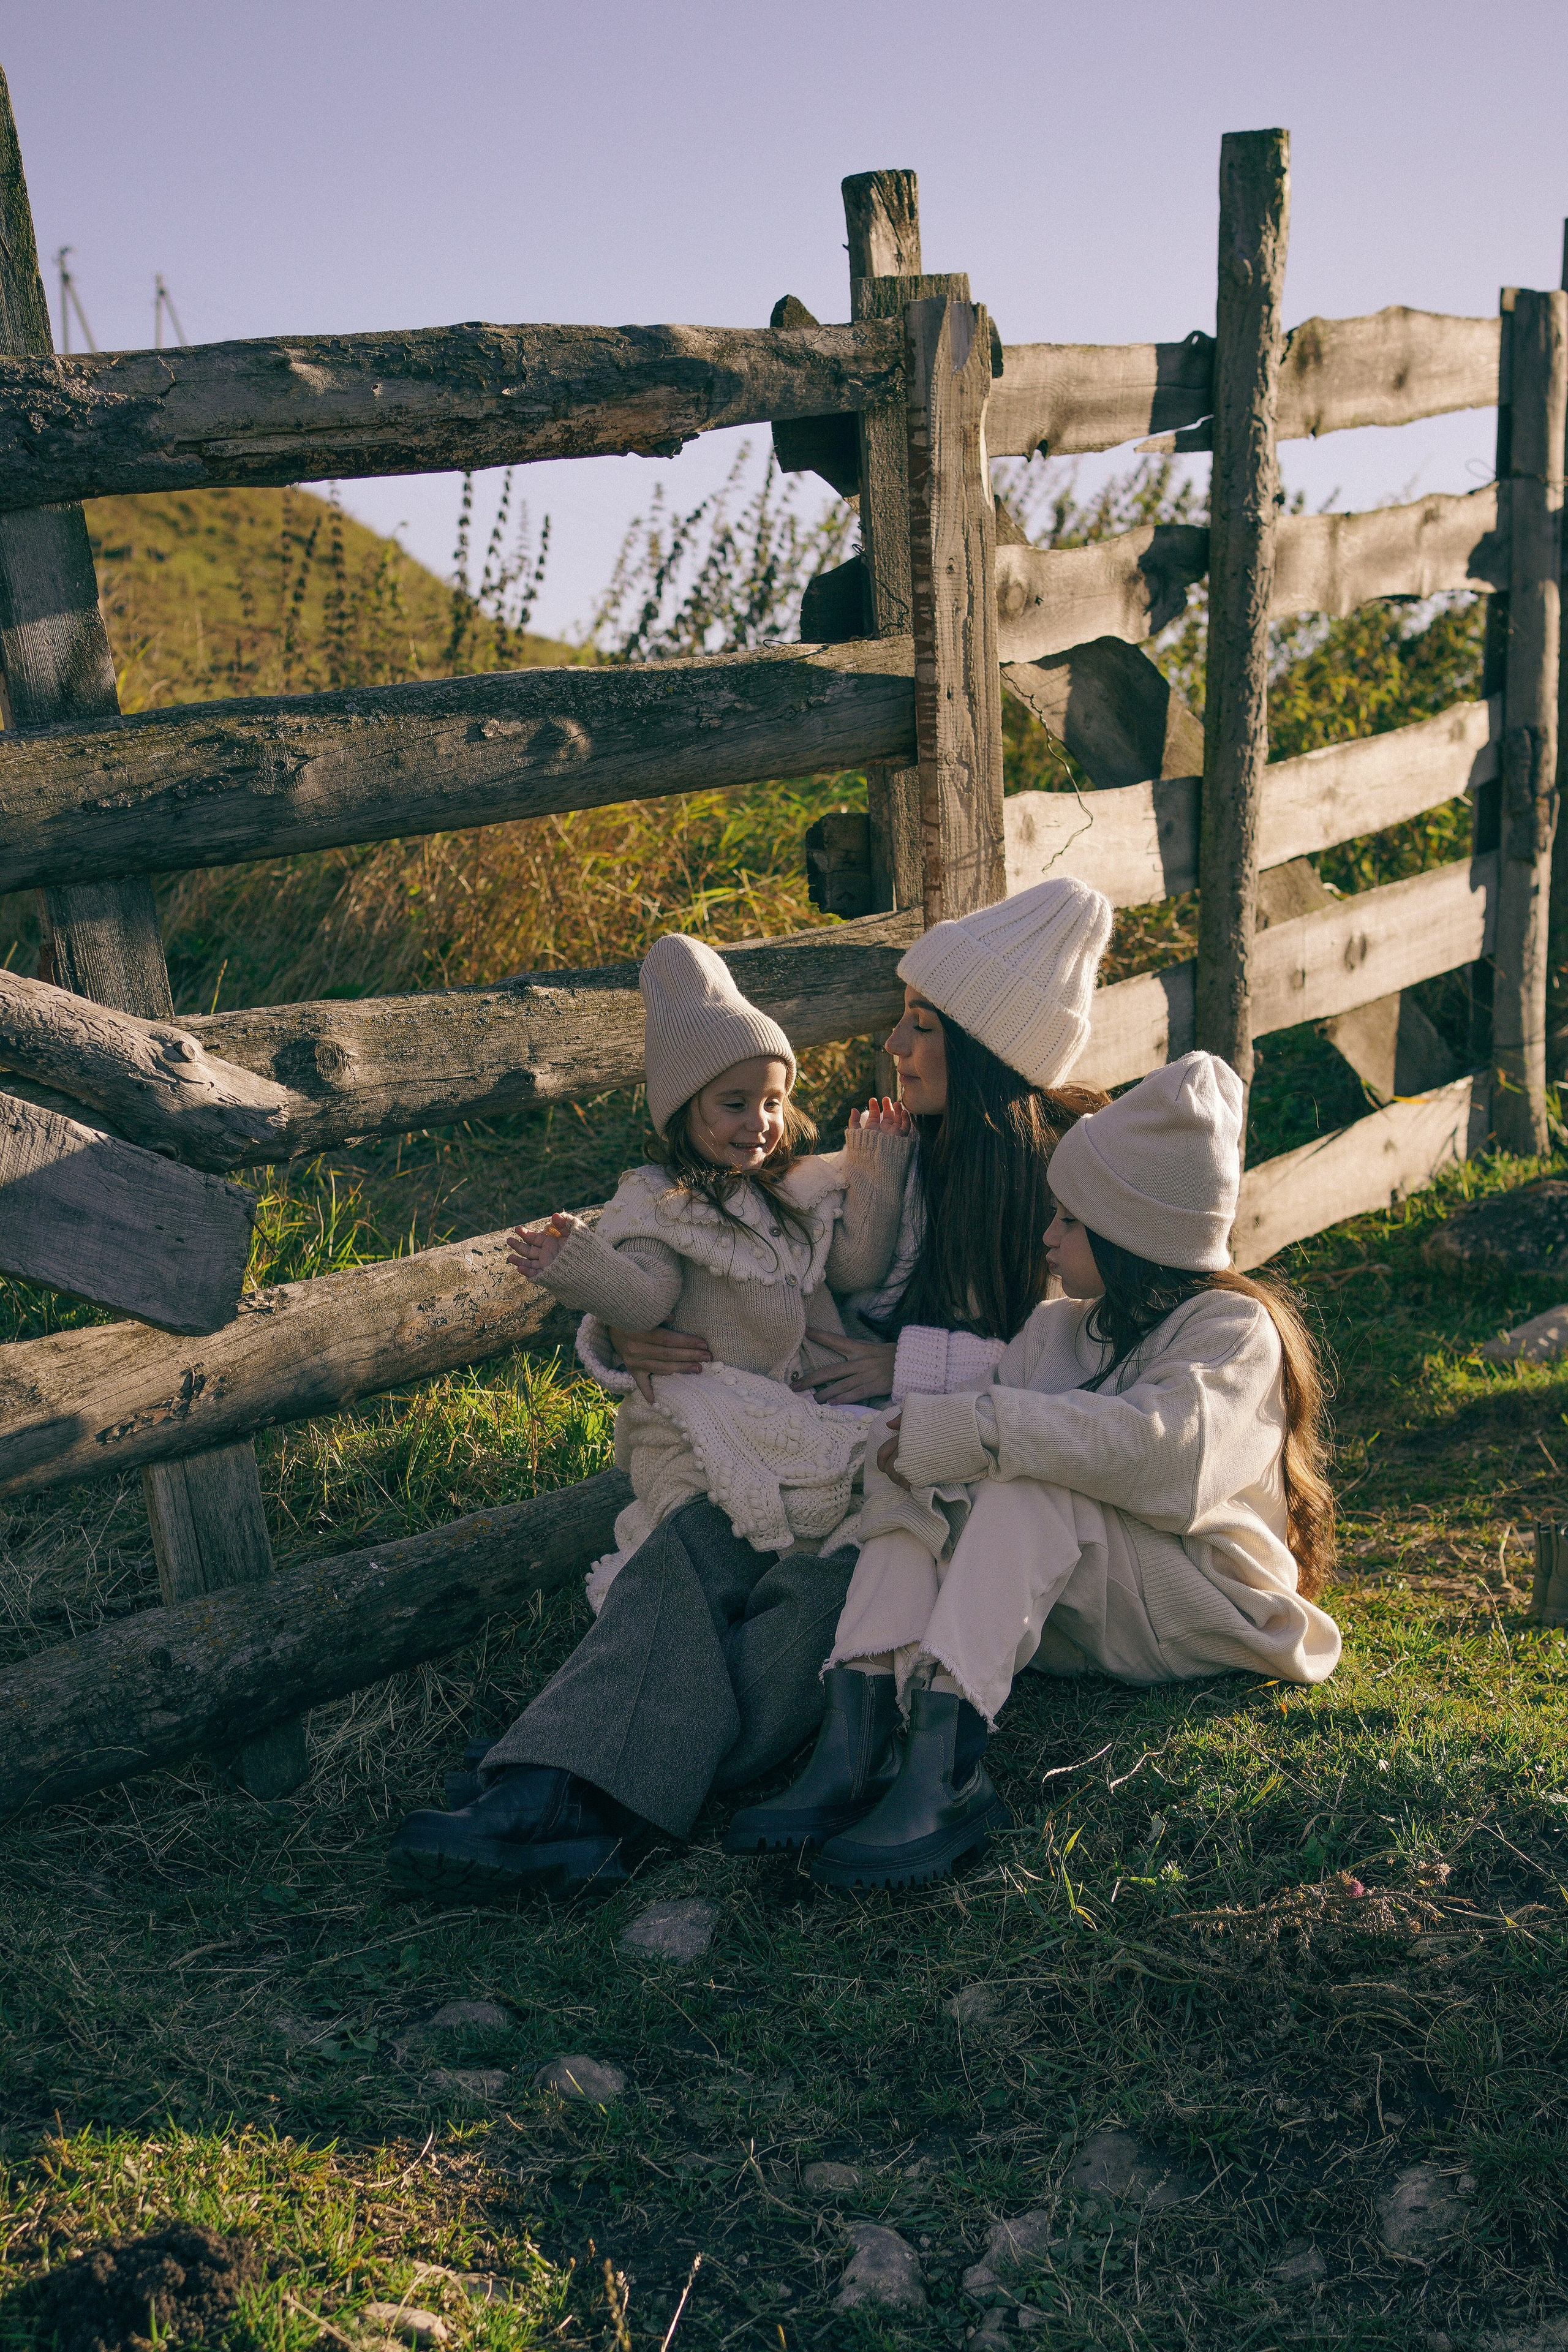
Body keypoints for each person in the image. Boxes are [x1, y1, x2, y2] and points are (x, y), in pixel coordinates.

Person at [386, 875, 1114, 1901]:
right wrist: (627, 1332)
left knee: (822, 1610)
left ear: (989, 1053)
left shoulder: (1068, 1188)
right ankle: (562, 1788)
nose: (894, 1049)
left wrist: (909, 1371)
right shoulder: (881, 1152)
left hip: (934, 1497)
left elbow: (1094, 1368)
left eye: (920, 1027)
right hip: (821, 1450)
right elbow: (734, 1258)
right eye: (901, 1024)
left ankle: (577, 1785)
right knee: (692, 1551)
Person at [736, 1052, 1341, 1893]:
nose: (1047, 1237)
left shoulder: (1233, 1334)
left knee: (1028, 1476)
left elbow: (1166, 1459)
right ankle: (861, 1733)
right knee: (926, 1474)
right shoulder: (1062, 1330)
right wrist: (917, 1451)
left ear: (1135, 1234)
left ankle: (945, 1775)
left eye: (1069, 1220)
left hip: (1197, 1607)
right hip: (1083, 1610)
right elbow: (977, 1455)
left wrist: (977, 1427)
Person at [508, 933, 913, 1601]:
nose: (760, 1122)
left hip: (800, 1403)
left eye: (773, 1101)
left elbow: (855, 1267)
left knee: (852, 1499)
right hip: (701, 1417)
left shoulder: (792, 1192)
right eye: (735, 1103)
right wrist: (579, 1265)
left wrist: (877, 1166)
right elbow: (643, 1301)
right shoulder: (663, 1205)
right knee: (712, 1521)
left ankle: (804, 1598)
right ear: (683, 1104)